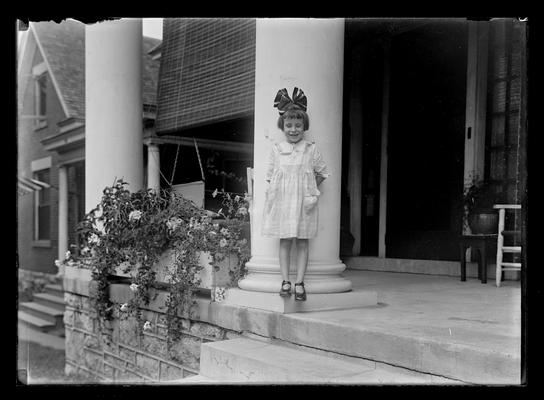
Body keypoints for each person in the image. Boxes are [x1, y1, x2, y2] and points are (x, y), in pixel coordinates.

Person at [261, 87, 329, 301]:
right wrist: (276, 196)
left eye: (298, 125)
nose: (293, 130)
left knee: (302, 241)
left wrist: (310, 189)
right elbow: (271, 176)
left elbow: (323, 172)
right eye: (289, 125)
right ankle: (285, 280)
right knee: (285, 240)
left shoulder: (310, 149)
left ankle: (299, 281)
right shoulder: (277, 149)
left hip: (303, 203)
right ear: (283, 126)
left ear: (304, 127)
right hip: (283, 202)